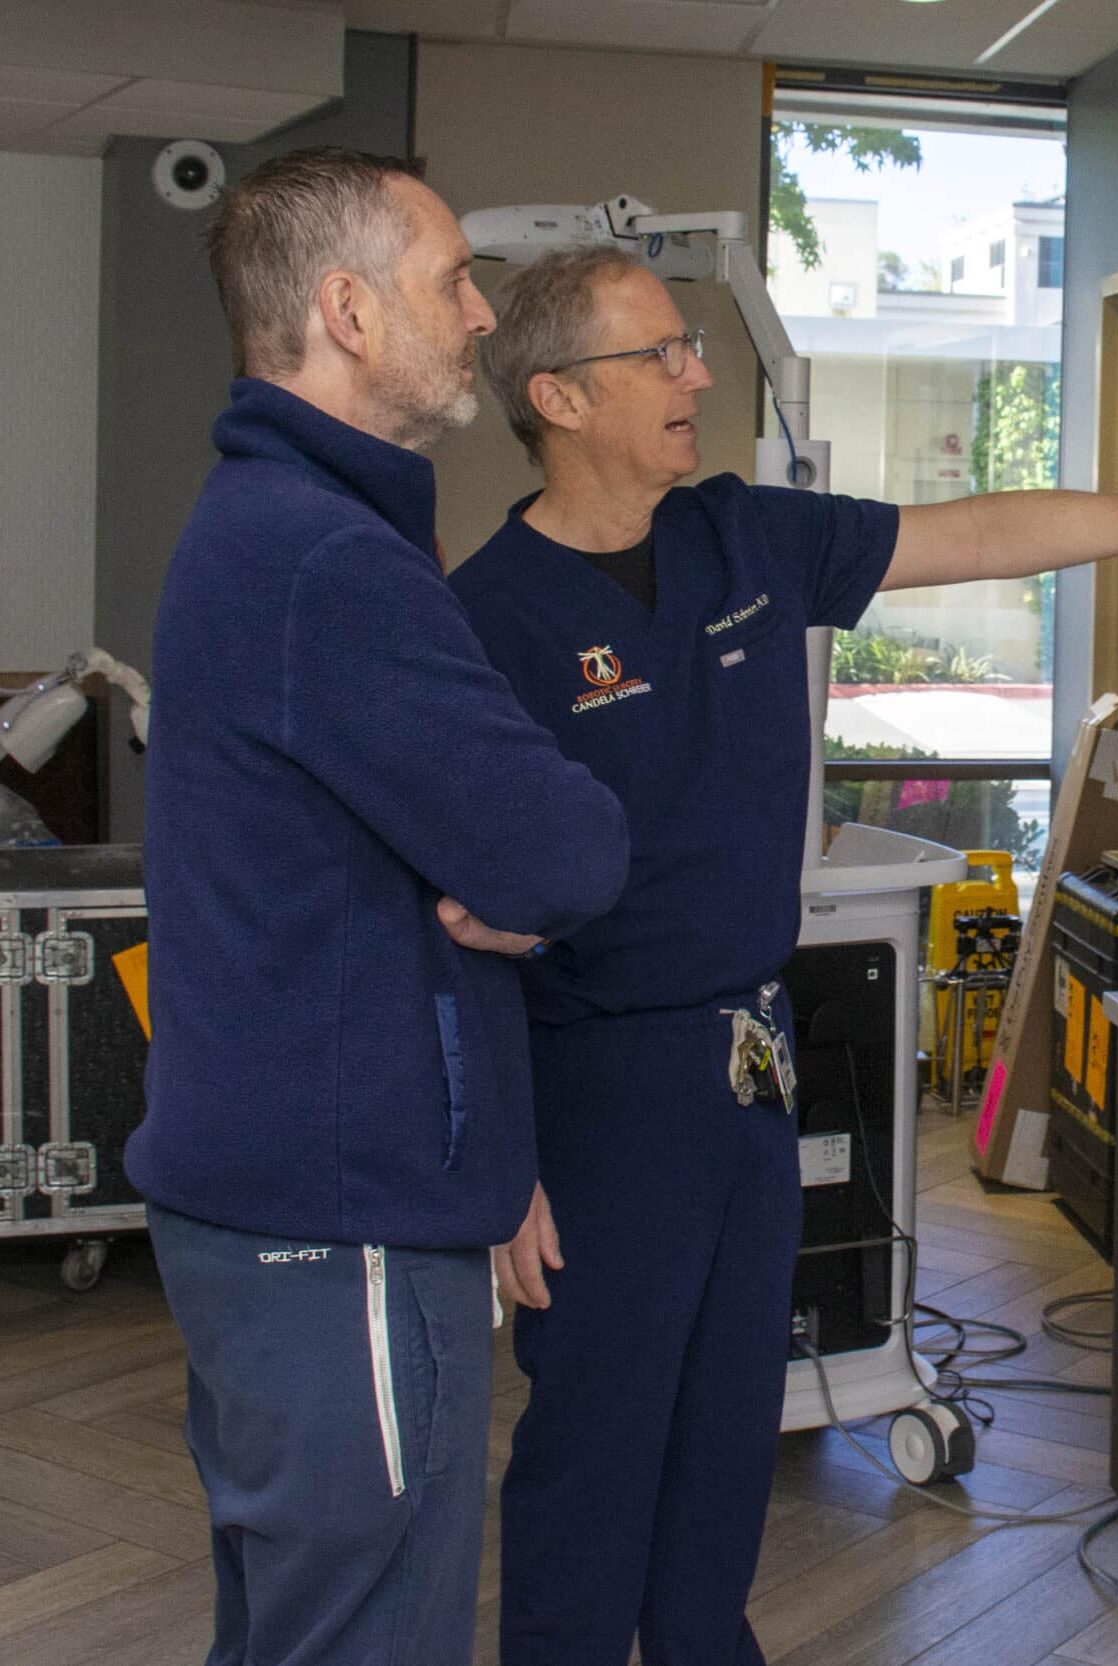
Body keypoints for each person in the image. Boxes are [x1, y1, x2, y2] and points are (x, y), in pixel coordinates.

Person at [452, 244, 1118, 1666]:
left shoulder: (743, 536)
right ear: (557, 395)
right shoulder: (485, 615)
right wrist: (499, 1165)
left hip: (751, 1062)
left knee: (723, 1432)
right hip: (594, 1084)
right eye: (661, 354)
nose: (698, 373)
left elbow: (977, 535)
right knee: (593, 1451)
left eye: (692, 344)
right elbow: (449, 928)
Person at [126, 150, 631, 1666]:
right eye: (451, 281)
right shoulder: (324, 557)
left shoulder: (279, 526)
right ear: (347, 311)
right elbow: (561, 849)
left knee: (299, 1628)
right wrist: (507, 872)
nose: (483, 316)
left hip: (295, 1207)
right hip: (332, 1226)